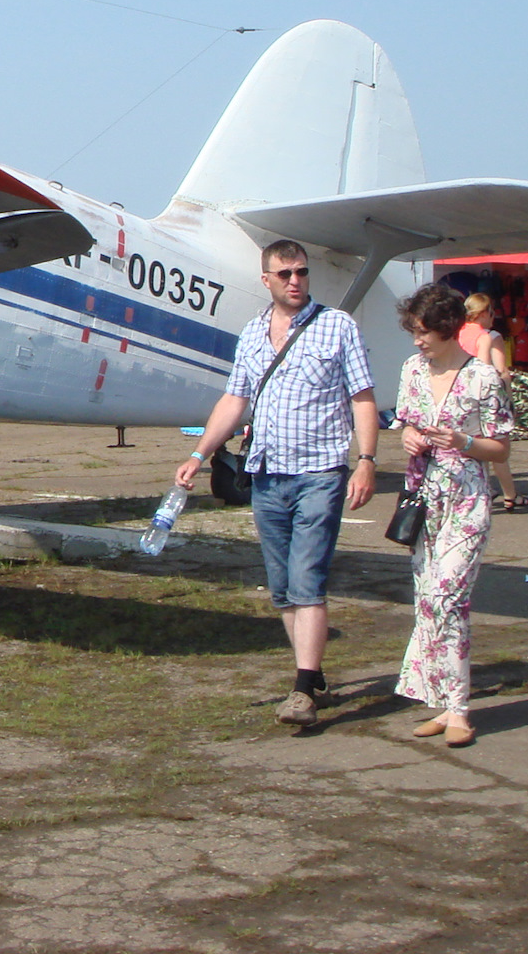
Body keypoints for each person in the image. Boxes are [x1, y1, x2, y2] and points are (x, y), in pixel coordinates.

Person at [170, 239, 379, 727]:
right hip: (266, 474)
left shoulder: (337, 327)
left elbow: (363, 398)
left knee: (307, 579)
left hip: (319, 473)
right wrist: (199, 454)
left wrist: (366, 460)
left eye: (301, 272)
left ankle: (303, 689)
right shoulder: (252, 333)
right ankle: (315, 675)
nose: (295, 281)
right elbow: (234, 400)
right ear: (266, 280)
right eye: (284, 274)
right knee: (283, 587)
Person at [394, 283, 514, 748]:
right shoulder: (412, 371)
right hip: (425, 499)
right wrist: (408, 435)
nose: (417, 340)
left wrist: (463, 441)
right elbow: (406, 420)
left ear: (447, 329)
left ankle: (460, 710)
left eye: (424, 332)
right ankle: (444, 702)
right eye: (413, 331)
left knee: (446, 595)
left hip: (467, 499)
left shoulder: (482, 378)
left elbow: (501, 445)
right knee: (428, 597)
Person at [460, 294, 528, 511]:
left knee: (469, 445)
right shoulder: (490, 336)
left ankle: (479, 490)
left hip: (461, 395)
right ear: (482, 313)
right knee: (497, 446)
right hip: (486, 397)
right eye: (491, 313)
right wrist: (509, 398)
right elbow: (501, 371)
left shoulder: (455, 333)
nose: (494, 317)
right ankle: (510, 495)